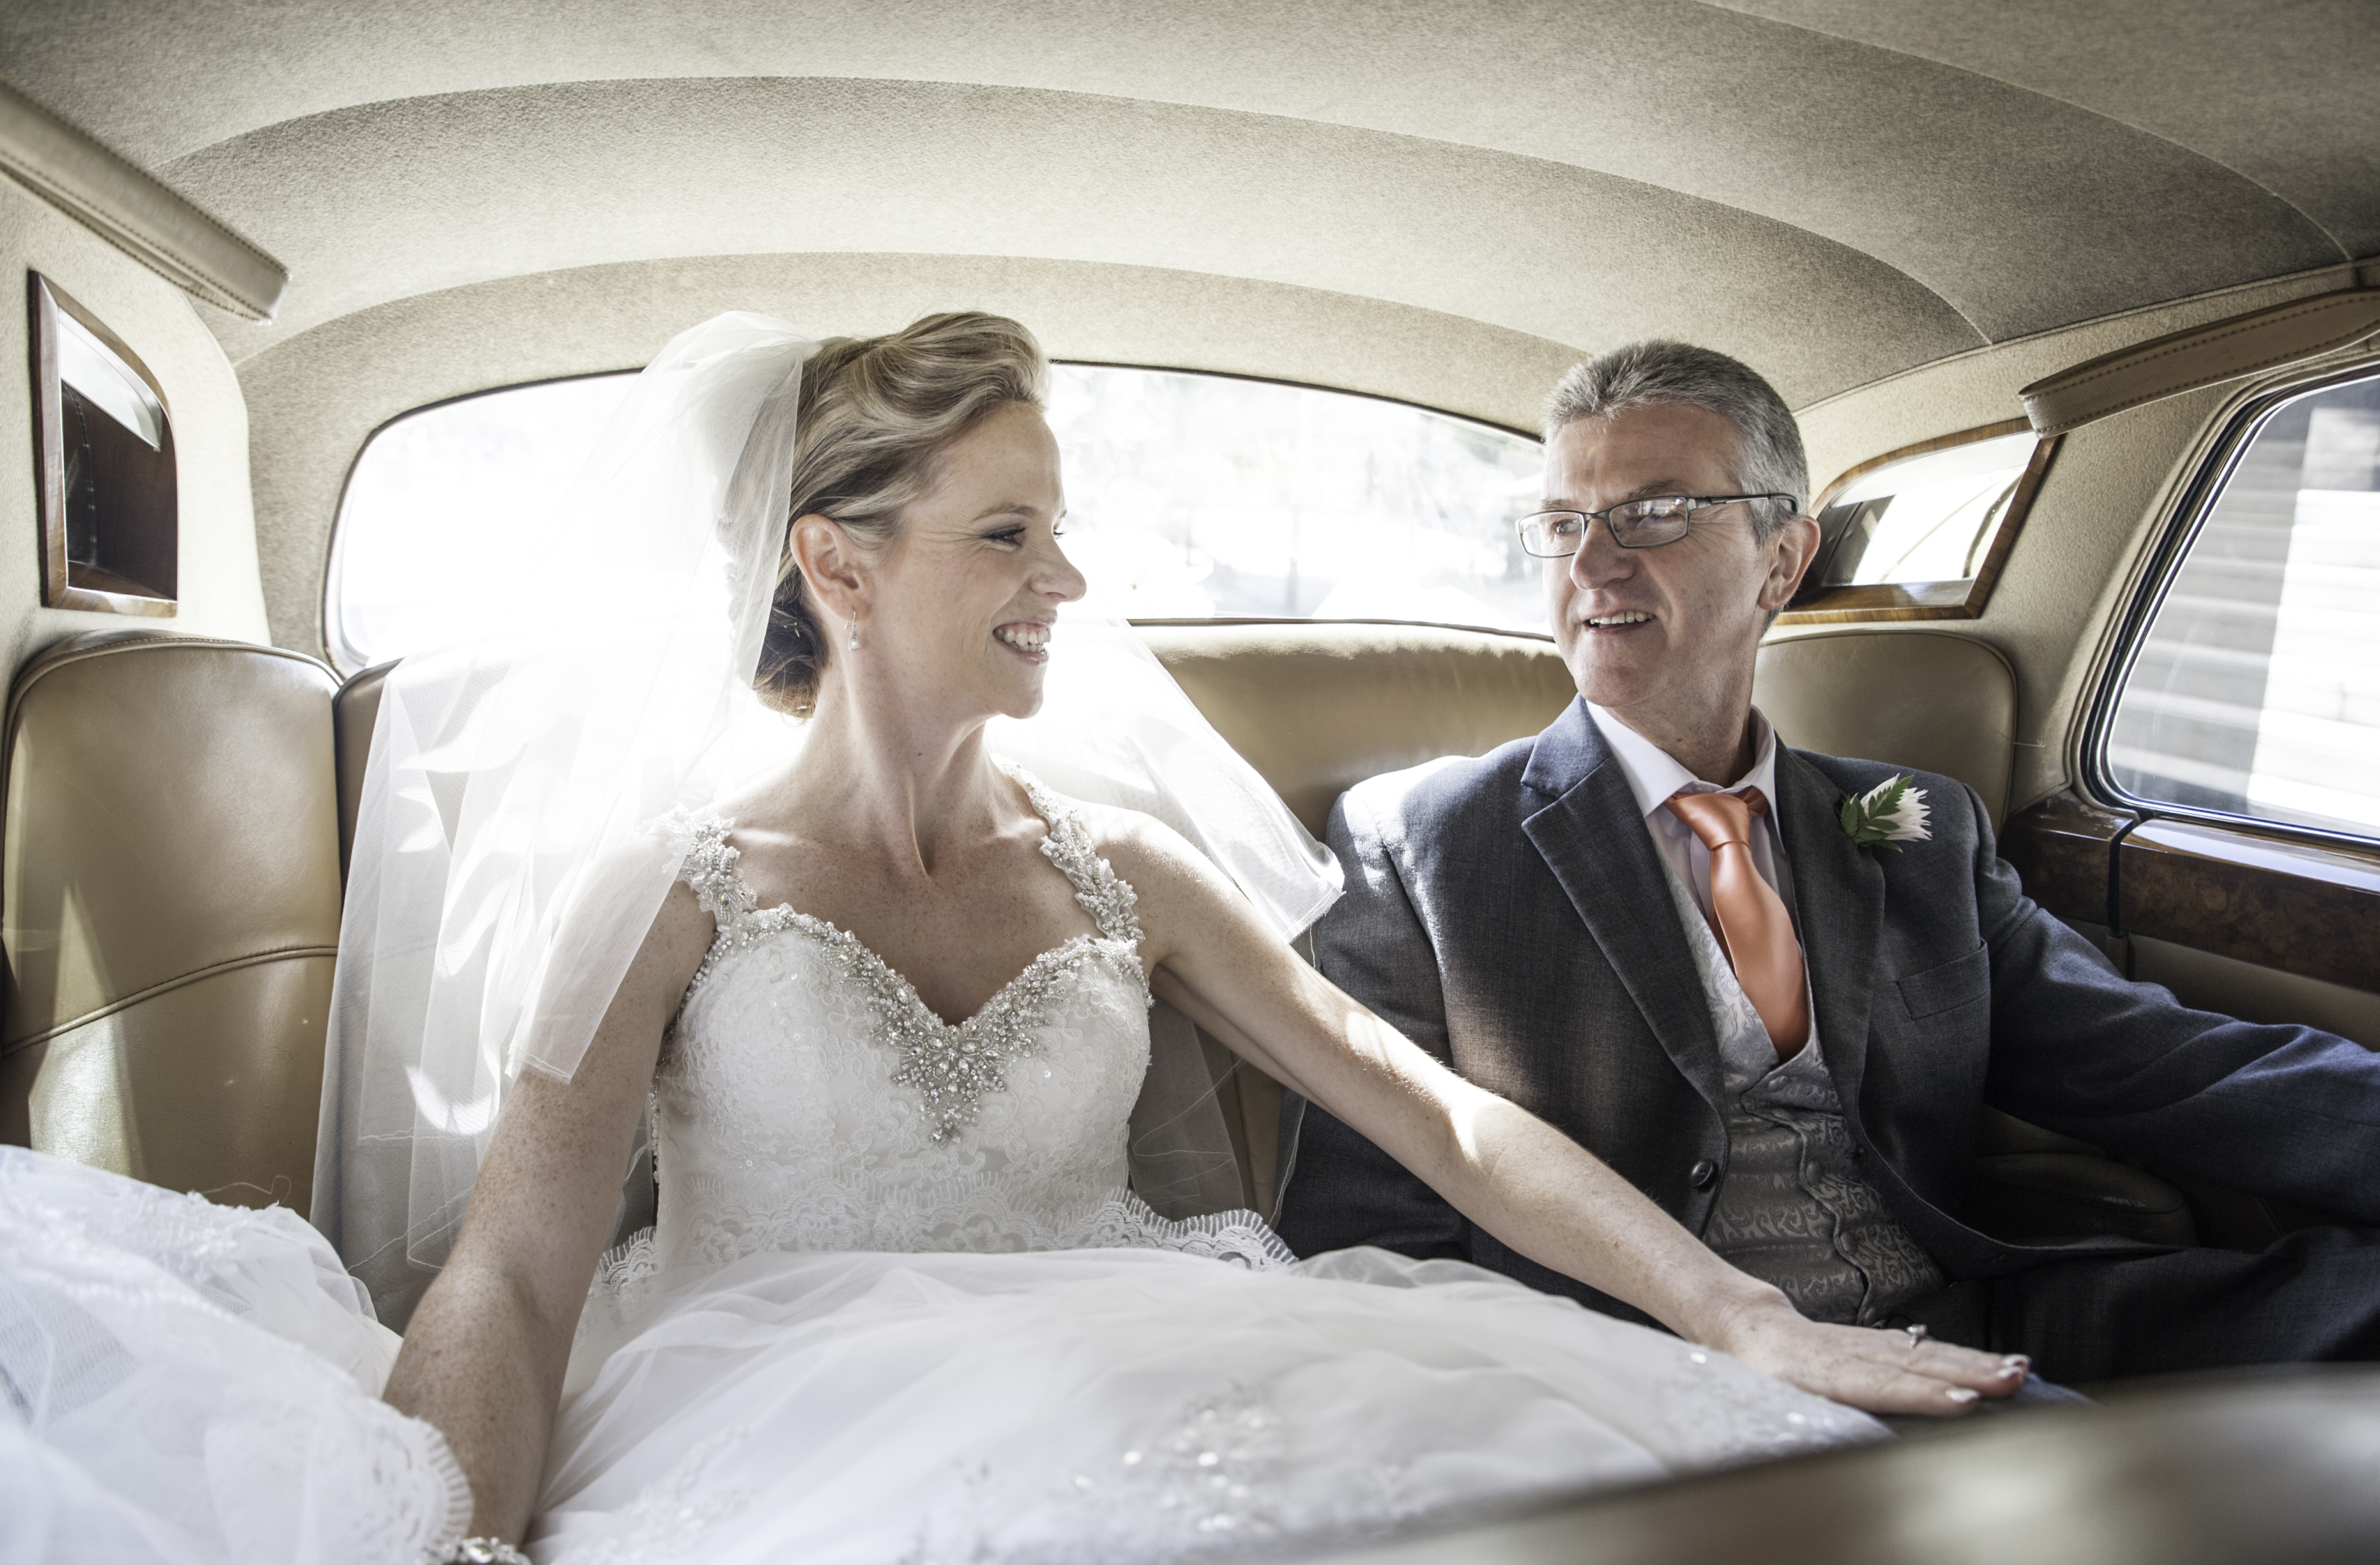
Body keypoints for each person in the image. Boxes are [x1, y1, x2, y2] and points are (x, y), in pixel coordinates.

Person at [1, 316, 2023, 1565]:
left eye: (1055, 528)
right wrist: (454, 1539)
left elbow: (1444, 1120)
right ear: (836, 561)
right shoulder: (672, 883)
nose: (1066, 577)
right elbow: (518, 1267)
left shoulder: (1122, 860)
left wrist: (1740, 1316)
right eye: (1007, 532)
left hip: (1158, 1341)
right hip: (765, 1401)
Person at [1274, 339, 2380, 1392]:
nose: (1592, 564)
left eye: (1651, 513)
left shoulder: (1922, 829)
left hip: (1964, 1312)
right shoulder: (1420, 843)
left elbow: (2161, 1065)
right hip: (1638, 1371)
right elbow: (1374, 1224)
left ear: (1782, 560)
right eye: (1564, 523)